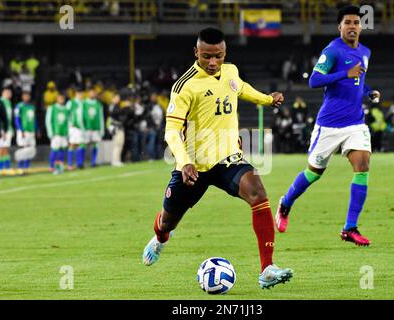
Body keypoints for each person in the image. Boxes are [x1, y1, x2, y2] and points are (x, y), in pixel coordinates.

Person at [142, 28, 293, 289]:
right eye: (206, 56)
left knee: (258, 193)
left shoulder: (231, 71)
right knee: (167, 221)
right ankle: (160, 239)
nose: (213, 62)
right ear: (196, 53)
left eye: (218, 56)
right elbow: (171, 131)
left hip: (228, 159)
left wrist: (267, 100)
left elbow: (241, 88)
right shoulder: (184, 86)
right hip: (193, 167)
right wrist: (184, 161)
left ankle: (267, 268)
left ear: (225, 53)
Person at [275, 6, 381, 246]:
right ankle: (286, 203)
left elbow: (358, 80)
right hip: (329, 125)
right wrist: (345, 73)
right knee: (313, 173)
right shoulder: (332, 51)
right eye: (348, 23)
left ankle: (349, 228)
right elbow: (315, 80)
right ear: (339, 27)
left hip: (355, 123)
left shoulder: (365, 51)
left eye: (356, 22)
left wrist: (368, 92)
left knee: (362, 165)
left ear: (361, 27)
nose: (352, 26)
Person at [14, 90, 39, 173]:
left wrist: (37, 129)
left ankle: (26, 166)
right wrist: (21, 130)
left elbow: (34, 119)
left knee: (30, 149)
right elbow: (17, 119)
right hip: (23, 131)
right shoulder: (19, 106)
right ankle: (20, 167)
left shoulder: (32, 107)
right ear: (22, 97)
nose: (26, 97)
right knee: (22, 148)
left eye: (28, 96)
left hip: (31, 131)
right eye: (25, 96)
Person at [46, 93, 70, 174]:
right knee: (55, 149)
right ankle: (52, 166)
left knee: (62, 149)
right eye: (59, 98)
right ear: (57, 99)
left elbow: (68, 121)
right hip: (56, 133)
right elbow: (48, 121)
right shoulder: (52, 108)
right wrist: (50, 132)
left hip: (64, 133)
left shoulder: (66, 109)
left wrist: (68, 132)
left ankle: (61, 165)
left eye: (62, 98)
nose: (61, 99)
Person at [81, 88, 104, 168]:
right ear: (88, 93)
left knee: (95, 145)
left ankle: (93, 162)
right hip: (87, 128)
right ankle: (80, 163)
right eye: (91, 92)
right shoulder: (83, 103)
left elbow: (101, 118)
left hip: (95, 129)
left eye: (94, 93)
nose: (92, 94)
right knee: (83, 144)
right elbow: (81, 116)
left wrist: (102, 130)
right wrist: (82, 127)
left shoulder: (98, 104)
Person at [66, 87, 85, 170]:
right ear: (76, 94)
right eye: (79, 93)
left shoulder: (83, 103)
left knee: (81, 144)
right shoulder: (71, 102)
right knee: (72, 144)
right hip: (73, 127)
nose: (81, 95)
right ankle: (70, 164)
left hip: (81, 127)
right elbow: (66, 113)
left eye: (82, 93)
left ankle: (79, 163)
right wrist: (69, 125)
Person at [0, 87, 14, 174]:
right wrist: (1, 130)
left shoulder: (9, 102)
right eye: (8, 93)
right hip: (2, 129)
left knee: (6, 147)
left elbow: (9, 118)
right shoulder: (0, 101)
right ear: (4, 93)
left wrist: (10, 128)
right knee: (1, 148)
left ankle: (6, 166)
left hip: (9, 129)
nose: (10, 94)